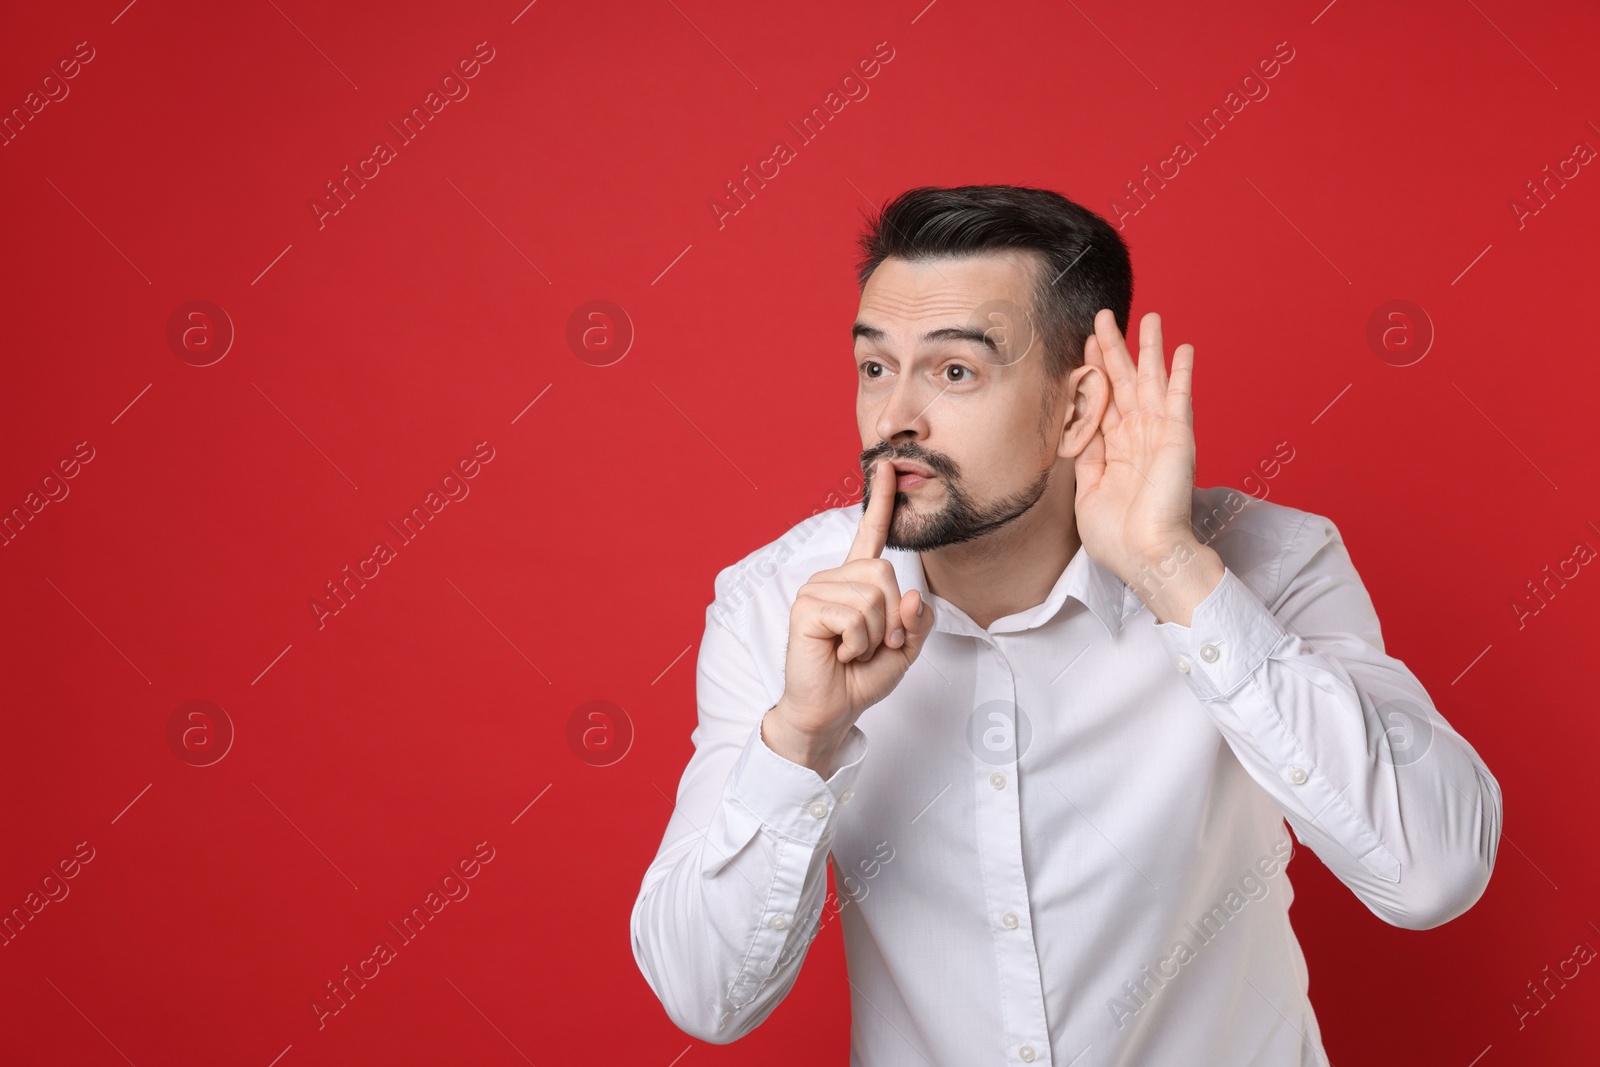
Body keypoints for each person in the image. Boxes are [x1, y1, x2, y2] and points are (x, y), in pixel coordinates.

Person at [629, 184, 1501, 1066]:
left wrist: (1173, 571)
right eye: (874, 367)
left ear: (1078, 406)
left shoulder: (1270, 564)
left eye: (955, 371)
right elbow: (705, 998)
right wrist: (803, 737)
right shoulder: (775, 604)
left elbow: (1434, 874)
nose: (893, 420)